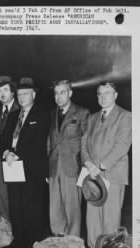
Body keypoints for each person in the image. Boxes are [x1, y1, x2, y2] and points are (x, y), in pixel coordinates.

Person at [1, 77, 50, 248]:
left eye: (25, 94)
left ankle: (32, 242)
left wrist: (17, 155)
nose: (21, 98)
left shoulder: (42, 114)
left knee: (32, 205)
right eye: (19, 94)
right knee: (16, 203)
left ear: (33, 95)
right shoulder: (13, 115)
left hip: (31, 167)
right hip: (12, 166)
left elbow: (38, 143)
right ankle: (18, 238)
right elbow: (5, 138)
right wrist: (6, 152)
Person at [81, 81, 132, 248]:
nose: (103, 97)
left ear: (115, 95)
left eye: (107, 93)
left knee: (110, 221)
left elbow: (122, 146)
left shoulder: (125, 116)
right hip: (92, 175)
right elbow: (83, 145)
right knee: (93, 220)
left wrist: (100, 166)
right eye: (100, 94)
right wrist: (89, 164)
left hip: (112, 174)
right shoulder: (92, 118)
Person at [47, 80, 89, 237]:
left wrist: (84, 168)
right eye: (56, 93)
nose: (59, 97)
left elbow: (86, 142)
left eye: (62, 92)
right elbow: (49, 141)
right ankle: (58, 240)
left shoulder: (82, 113)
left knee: (72, 209)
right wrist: (47, 167)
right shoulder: (52, 114)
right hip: (53, 167)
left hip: (72, 167)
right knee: (55, 208)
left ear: (70, 93)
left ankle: (73, 243)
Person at [0, 75, 20, 221]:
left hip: (15, 160)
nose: (2, 94)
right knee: (2, 196)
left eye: (5, 90)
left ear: (13, 92)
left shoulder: (21, 109)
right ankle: (6, 228)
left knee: (16, 197)